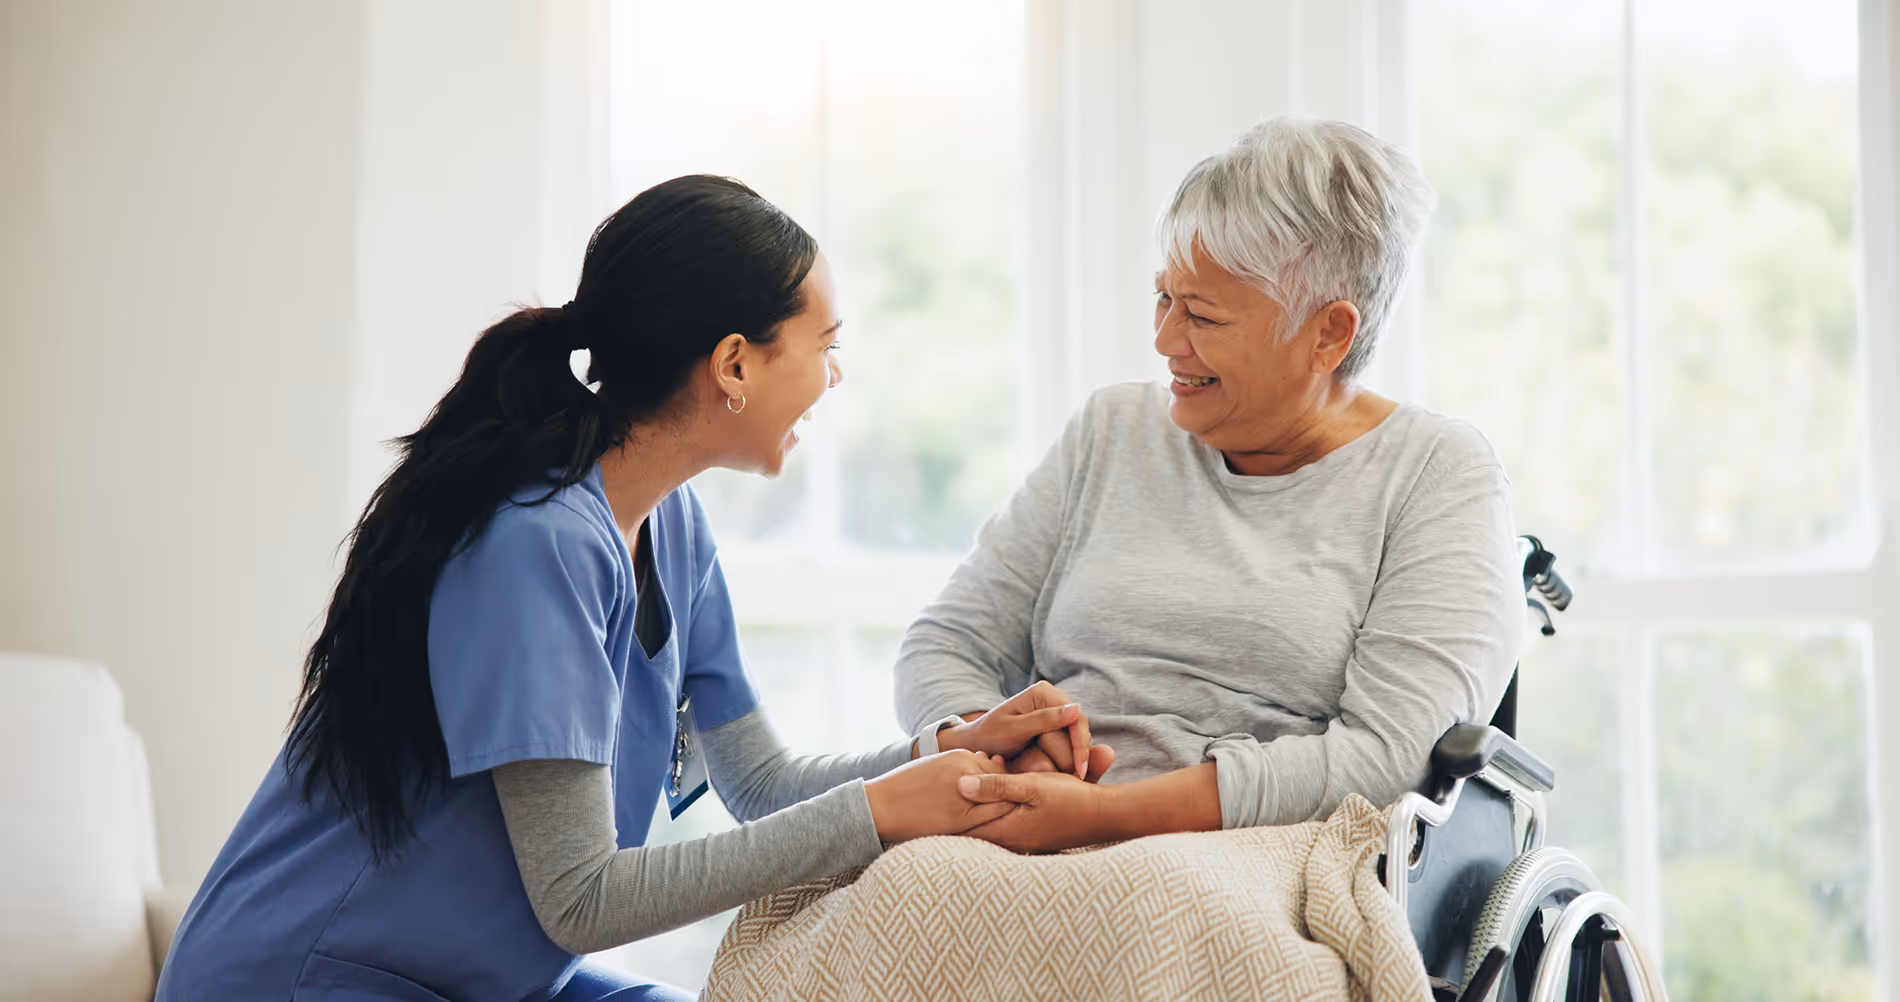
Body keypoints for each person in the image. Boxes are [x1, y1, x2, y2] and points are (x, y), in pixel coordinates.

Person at [156, 175, 1099, 1001]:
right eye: (825, 344)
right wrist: (885, 812)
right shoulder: (538, 542)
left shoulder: (673, 527)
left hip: (486, 982)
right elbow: (581, 899)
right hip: (314, 975)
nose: (834, 375)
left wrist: (951, 749)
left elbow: (761, 784)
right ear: (734, 363)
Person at [895, 116, 1526, 852]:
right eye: (1163, 298)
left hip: (1261, 859)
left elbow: (1384, 758)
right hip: (1025, 828)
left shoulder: (1438, 475)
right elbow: (946, 643)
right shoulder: (1112, 430)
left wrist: (1104, 816)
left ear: (1329, 333)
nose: (1165, 340)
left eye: (1201, 315)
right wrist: (987, 743)